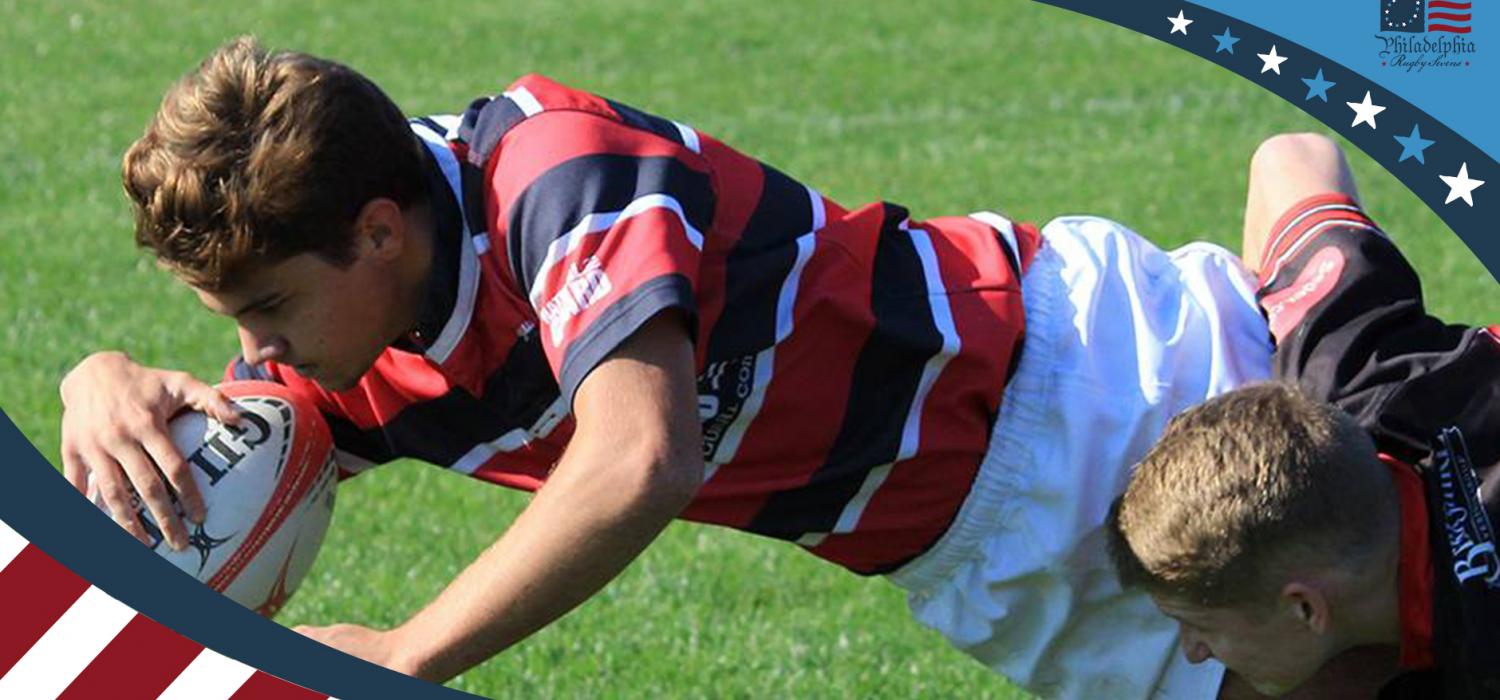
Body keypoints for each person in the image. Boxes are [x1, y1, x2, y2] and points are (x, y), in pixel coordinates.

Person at [60, 37, 1280, 698]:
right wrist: (100, 379)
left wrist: (404, 653)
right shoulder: (355, 348)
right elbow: (219, 485)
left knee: (1434, 569)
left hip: (1092, 376)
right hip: (966, 547)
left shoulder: (556, 173)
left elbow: (639, 456)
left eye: (269, 306)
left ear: (381, 231)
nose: (255, 349)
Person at [1107, 133, 1500, 698]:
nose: (1192, 651)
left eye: (1200, 626)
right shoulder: (1346, 370)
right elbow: (1290, 156)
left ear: (1305, 608)